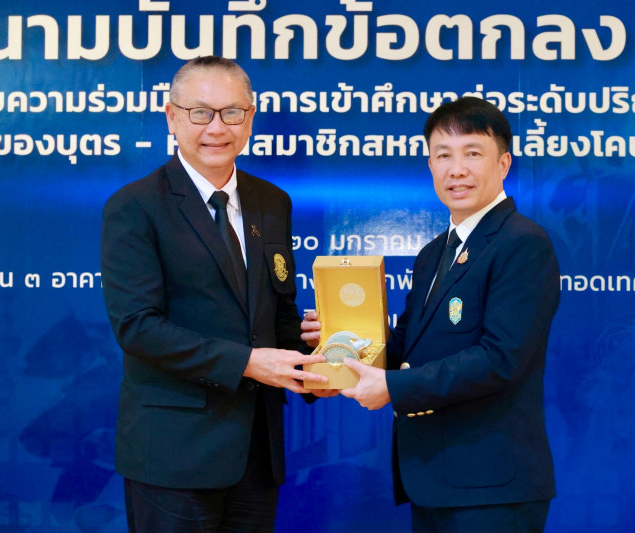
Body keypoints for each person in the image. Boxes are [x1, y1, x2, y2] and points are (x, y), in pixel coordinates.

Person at [302, 96, 560, 532]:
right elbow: (408, 348)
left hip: (490, 487)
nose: (456, 170)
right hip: (434, 480)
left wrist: (392, 387)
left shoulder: (522, 243)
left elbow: (501, 359)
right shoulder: (433, 254)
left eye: (472, 153)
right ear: (430, 166)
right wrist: (340, 346)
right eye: (443, 156)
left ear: (503, 164)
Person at [101, 55, 328, 533]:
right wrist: (247, 363)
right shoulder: (135, 205)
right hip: (173, 454)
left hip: (256, 452)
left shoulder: (272, 202)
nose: (217, 128)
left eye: (232, 112)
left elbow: (277, 315)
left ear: (250, 117)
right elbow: (137, 327)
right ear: (172, 117)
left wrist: (316, 357)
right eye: (200, 112)